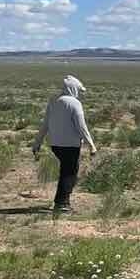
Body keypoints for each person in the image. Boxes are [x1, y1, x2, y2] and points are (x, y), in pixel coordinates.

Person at [31, 75, 97, 213]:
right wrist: (91, 145)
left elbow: (45, 125)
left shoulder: (53, 101)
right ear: (73, 88)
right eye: (78, 90)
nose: (79, 93)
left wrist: (37, 143)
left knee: (66, 172)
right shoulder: (74, 103)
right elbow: (81, 126)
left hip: (55, 145)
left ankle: (62, 201)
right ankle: (62, 204)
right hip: (71, 145)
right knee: (69, 173)